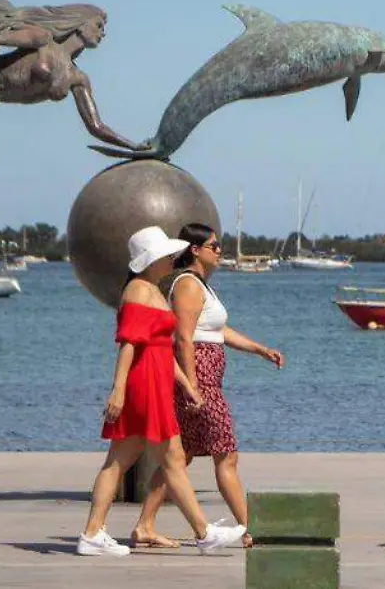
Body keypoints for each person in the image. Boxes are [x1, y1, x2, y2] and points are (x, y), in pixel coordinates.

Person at [77, 226, 243, 557]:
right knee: (170, 459)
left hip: (155, 380)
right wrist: (118, 390)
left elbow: (162, 350)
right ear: (151, 259)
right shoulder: (139, 290)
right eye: (166, 255)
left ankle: (93, 533)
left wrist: (187, 386)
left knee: (123, 462)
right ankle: (203, 531)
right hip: (143, 385)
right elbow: (128, 344)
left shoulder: (152, 288)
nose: (171, 259)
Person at [132, 224, 285, 549]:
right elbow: (185, 338)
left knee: (180, 455)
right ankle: (249, 529)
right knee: (226, 455)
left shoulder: (200, 285)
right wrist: (192, 385)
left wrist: (260, 350)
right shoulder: (187, 285)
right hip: (199, 379)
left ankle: (144, 525)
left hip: (204, 377)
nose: (220, 251)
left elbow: (218, 330)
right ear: (195, 250)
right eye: (214, 246)